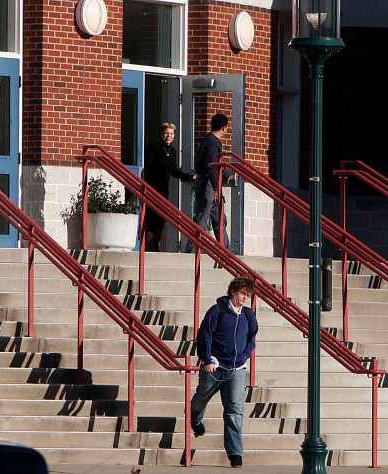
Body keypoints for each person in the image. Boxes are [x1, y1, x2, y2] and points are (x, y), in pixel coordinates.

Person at [191, 276, 258, 469]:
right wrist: (207, 359)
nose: (245, 298)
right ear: (233, 291)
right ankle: (195, 419)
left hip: (236, 369)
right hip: (215, 366)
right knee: (201, 398)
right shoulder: (217, 310)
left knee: (235, 411)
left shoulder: (248, 315)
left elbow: (252, 337)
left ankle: (235, 453)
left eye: (248, 295)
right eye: (242, 293)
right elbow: (204, 334)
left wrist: (245, 355)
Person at [142, 122, 196, 252]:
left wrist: (190, 177)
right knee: (152, 219)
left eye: (171, 134)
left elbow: (173, 170)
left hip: (163, 189)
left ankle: (152, 248)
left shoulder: (172, 151)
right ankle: (147, 248)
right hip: (152, 189)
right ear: (161, 134)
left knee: (160, 220)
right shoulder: (154, 148)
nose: (168, 136)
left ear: (174, 136)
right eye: (166, 133)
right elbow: (147, 168)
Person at [185, 113, 234, 253]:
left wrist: (227, 174)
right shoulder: (213, 142)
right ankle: (191, 253)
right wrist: (216, 187)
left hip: (208, 182)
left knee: (220, 219)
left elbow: (215, 165)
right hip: (207, 184)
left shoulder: (209, 140)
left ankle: (226, 252)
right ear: (224, 127)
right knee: (201, 218)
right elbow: (212, 166)